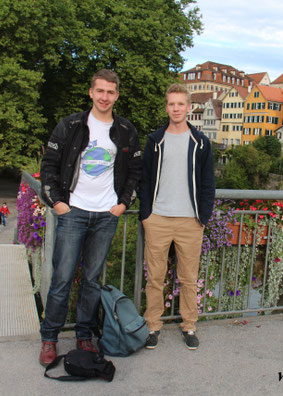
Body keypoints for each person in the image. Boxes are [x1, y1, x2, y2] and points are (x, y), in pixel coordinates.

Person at [38, 69, 141, 366]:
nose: (105, 97)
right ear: (91, 93)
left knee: (92, 280)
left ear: (117, 95)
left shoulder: (125, 130)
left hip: (107, 214)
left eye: (110, 92)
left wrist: (122, 204)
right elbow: (50, 166)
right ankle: (50, 339)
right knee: (62, 278)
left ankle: (84, 334)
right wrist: (57, 202)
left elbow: (134, 172)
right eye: (100, 91)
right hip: (74, 211)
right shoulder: (70, 125)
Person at [139, 83, 215, 350]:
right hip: (158, 218)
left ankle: (189, 326)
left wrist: (203, 216)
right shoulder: (155, 141)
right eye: (171, 104)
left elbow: (208, 183)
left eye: (180, 104)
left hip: (190, 221)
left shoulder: (201, 142)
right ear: (166, 106)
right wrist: (146, 214)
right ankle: (153, 326)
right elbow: (145, 179)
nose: (176, 108)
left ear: (188, 107)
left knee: (188, 278)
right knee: (155, 277)